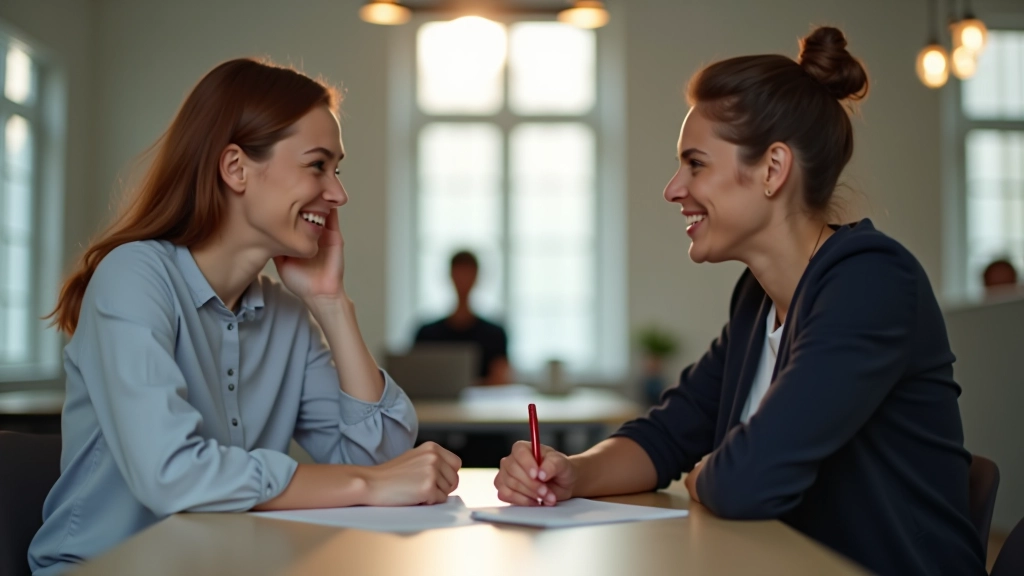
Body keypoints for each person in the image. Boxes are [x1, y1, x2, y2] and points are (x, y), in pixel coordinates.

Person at [493, 27, 986, 576]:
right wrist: (571, 472)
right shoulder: (757, 300)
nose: (673, 188)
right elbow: (666, 436)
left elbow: (746, 482)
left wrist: (709, 475)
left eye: (696, 164)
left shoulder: (871, 282)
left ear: (773, 169)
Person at [30, 59, 461, 576]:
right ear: (235, 168)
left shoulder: (285, 314)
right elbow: (171, 474)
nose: (338, 193)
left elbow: (381, 460)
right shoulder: (133, 277)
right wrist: (370, 484)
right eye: (317, 165)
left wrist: (331, 304)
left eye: (337, 169)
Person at [415, 250, 511, 385]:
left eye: (468, 273)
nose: (463, 280)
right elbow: (415, 377)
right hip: (435, 406)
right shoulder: (426, 333)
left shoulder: (495, 334)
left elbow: (500, 378)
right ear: (451, 276)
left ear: (476, 277)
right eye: (459, 273)